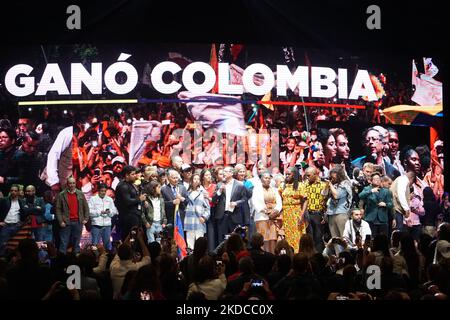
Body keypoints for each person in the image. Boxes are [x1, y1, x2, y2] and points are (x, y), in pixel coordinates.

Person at [110, 228, 151, 299]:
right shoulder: (136, 267)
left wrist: (129, 235)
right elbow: (147, 258)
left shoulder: (114, 266)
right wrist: (140, 239)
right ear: (131, 255)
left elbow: (121, 250)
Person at [55, 177, 90, 254]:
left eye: (73, 183)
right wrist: (61, 221)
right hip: (66, 222)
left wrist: (86, 219)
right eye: (70, 183)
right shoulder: (62, 195)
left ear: (75, 184)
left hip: (78, 221)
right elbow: (58, 209)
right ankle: (62, 260)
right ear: (67, 184)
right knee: (64, 242)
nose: (72, 185)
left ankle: (76, 260)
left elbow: (86, 207)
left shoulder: (80, 193)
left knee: (76, 243)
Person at [213, 166, 247, 243]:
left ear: (231, 173)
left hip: (234, 214)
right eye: (223, 172)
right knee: (221, 240)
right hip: (222, 215)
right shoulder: (219, 185)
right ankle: (221, 254)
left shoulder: (239, 185)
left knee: (235, 239)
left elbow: (244, 199)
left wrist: (236, 203)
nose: (223, 173)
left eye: (225, 171)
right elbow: (214, 199)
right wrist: (219, 191)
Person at [252, 171, 283, 254]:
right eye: (265, 178)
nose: (268, 179)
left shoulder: (275, 190)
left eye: (269, 178)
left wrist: (275, 211)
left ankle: (273, 255)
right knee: (264, 239)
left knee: (273, 238)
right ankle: (264, 255)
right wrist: (265, 211)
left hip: (273, 217)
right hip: (262, 216)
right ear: (261, 179)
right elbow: (255, 202)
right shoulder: (256, 189)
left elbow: (279, 202)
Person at [115, 165, 147, 241]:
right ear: (126, 175)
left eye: (135, 174)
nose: (135, 176)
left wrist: (143, 202)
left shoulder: (131, 184)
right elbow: (127, 201)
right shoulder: (122, 186)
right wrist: (139, 199)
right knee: (129, 239)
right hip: (127, 218)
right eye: (133, 174)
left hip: (135, 216)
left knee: (138, 238)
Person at [282, 167, 307, 253]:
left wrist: (302, 215)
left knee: (297, 234)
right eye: (286, 174)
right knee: (287, 234)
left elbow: (305, 200)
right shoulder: (283, 186)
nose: (287, 176)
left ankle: (298, 253)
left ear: (294, 175)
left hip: (296, 212)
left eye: (289, 174)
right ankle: (289, 252)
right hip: (285, 213)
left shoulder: (300, 185)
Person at [302, 167, 328, 252]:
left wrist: (325, 215)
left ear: (315, 174)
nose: (307, 177)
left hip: (318, 214)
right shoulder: (304, 184)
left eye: (308, 175)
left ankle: (318, 256)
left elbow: (326, 201)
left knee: (318, 236)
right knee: (309, 237)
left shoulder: (323, 185)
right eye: (306, 175)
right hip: (307, 214)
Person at [325, 164, 353, 239]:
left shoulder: (345, 184)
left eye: (334, 177)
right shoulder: (332, 185)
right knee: (335, 239)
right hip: (331, 213)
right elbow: (323, 194)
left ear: (339, 175)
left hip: (341, 213)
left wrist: (330, 185)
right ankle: (338, 251)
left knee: (344, 238)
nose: (332, 179)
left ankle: (345, 251)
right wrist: (327, 186)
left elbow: (336, 195)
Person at [88, 183, 118, 251]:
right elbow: (89, 212)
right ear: (98, 191)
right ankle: (95, 259)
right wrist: (100, 212)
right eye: (102, 191)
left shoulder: (109, 199)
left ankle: (108, 259)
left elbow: (114, 211)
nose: (103, 192)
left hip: (107, 225)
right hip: (96, 225)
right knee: (95, 245)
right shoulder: (93, 199)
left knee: (107, 245)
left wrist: (109, 212)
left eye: (104, 191)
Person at [184, 173, 210, 250]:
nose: (196, 181)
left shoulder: (203, 192)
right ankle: (190, 259)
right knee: (190, 244)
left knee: (200, 243)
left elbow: (208, 208)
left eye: (198, 179)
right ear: (191, 181)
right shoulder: (187, 192)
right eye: (194, 179)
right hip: (189, 221)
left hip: (199, 220)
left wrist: (204, 217)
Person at [160, 169, 189, 238]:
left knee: (181, 238)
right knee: (171, 238)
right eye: (174, 178)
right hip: (170, 217)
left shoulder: (182, 188)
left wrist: (182, 199)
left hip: (181, 217)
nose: (176, 180)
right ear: (169, 178)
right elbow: (162, 204)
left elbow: (187, 201)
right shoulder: (164, 189)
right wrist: (172, 202)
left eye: (177, 178)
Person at [0, 185, 27, 256]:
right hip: (6, 226)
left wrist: (22, 222)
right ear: (10, 191)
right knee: (3, 244)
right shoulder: (4, 200)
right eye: (12, 190)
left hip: (17, 226)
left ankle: (15, 262)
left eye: (15, 191)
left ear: (18, 192)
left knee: (17, 245)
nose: (13, 192)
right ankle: (2, 262)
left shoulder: (21, 202)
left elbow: (25, 212)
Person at [201, 169, 217, 252]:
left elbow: (216, 200)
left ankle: (211, 253)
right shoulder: (200, 187)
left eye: (209, 175)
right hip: (201, 212)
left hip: (211, 211)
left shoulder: (214, 186)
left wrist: (208, 198)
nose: (208, 177)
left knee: (210, 233)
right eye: (206, 175)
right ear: (202, 177)